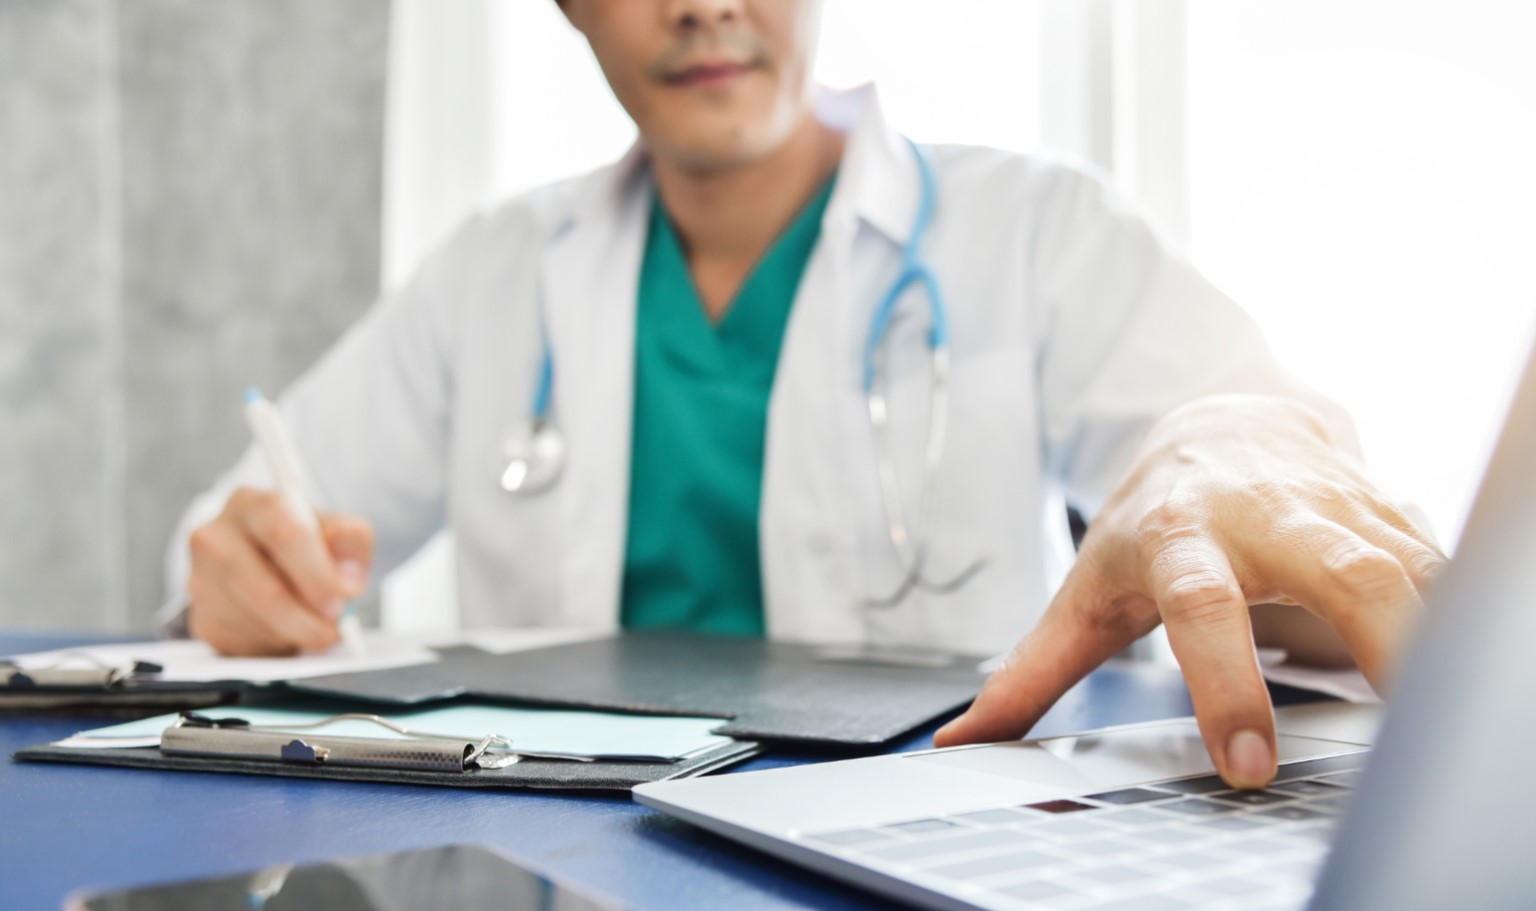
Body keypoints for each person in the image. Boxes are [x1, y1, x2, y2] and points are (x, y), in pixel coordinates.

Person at [166, 0, 1446, 790]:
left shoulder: (1035, 230)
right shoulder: (489, 278)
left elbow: (1247, 453)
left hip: (918, 832)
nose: (705, 6)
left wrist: (1223, 472)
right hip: (567, 858)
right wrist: (237, 576)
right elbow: (243, 533)